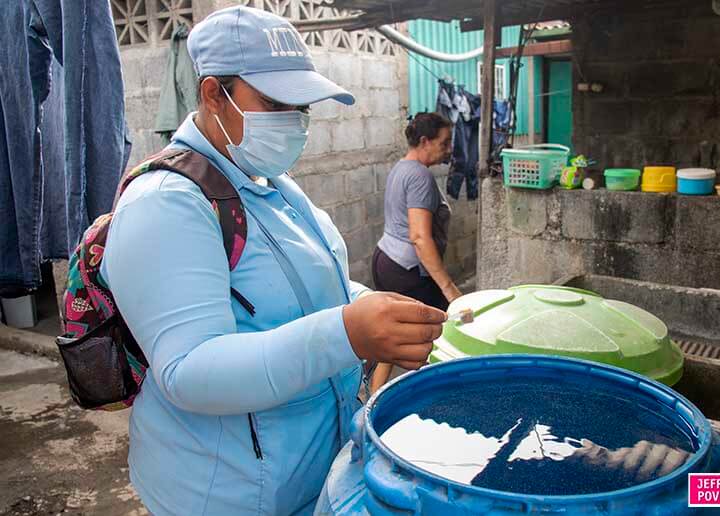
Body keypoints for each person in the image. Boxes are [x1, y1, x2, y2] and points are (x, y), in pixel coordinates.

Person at [99, 7, 445, 516]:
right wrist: (347, 332)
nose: (293, 121)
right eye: (274, 102)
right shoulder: (165, 204)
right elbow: (189, 369)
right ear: (214, 94)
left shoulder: (274, 186)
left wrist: (373, 306)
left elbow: (310, 289)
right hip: (228, 496)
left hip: (303, 479)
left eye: (301, 106)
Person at [369, 112, 462, 391]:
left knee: (394, 331)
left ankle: (372, 393)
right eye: (444, 143)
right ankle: (436, 397)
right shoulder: (420, 176)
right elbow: (420, 237)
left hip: (385, 259)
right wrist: (448, 288)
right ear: (424, 141)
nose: (448, 150)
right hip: (408, 269)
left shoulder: (401, 167)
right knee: (437, 329)